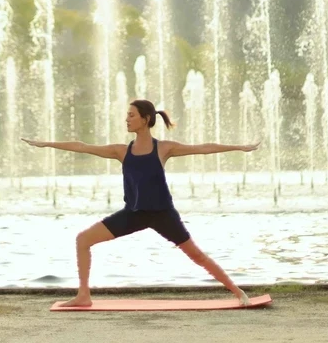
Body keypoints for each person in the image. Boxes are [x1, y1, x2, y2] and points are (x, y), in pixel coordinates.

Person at [22, 99, 260, 308]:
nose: (126, 119)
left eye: (131, 115)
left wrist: (238, 147)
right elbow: (82, 146)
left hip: (163, 215)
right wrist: (47, 144)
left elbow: (203, 148)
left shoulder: (164, 148)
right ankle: (83, 295)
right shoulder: (121, 151)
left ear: (145, 120)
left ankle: (238, 292)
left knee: (198, 257)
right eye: (127, 115)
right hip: (133, 214)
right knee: (83, 240)